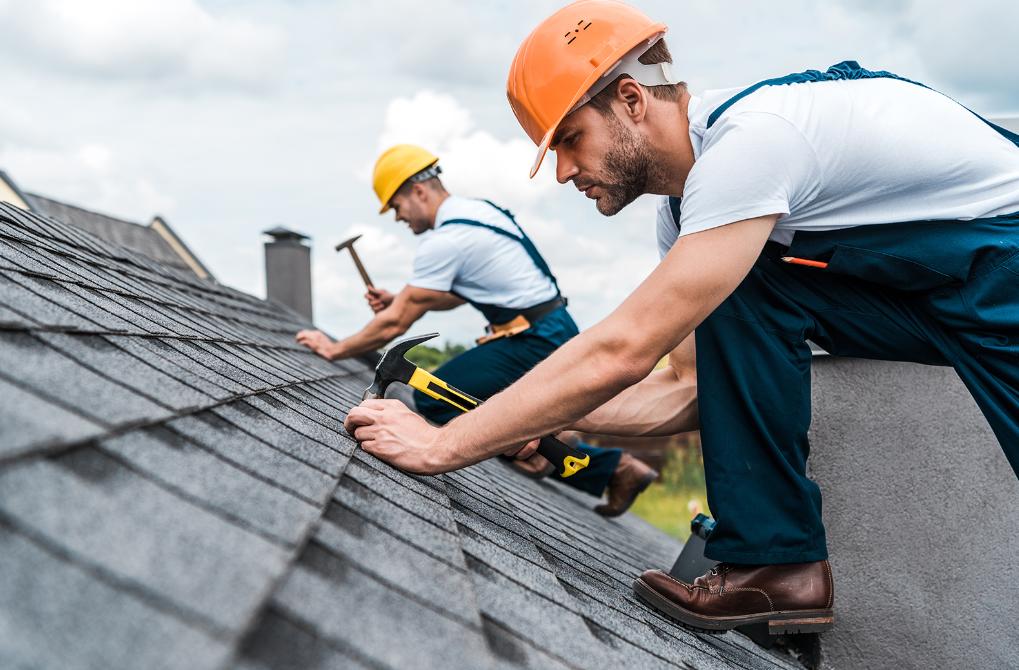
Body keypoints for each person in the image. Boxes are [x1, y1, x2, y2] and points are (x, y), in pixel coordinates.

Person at [342, 0, 1019, 635]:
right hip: (935, 290)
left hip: (1002, 263)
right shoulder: (694, 220)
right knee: (744, 287)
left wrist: (444, 444)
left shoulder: (751, 145)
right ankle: (775, 563)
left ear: (631, 100)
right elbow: (688, 387)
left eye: (571, 139)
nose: (563, 173)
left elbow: (623, 350)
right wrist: (535, 419)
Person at [297, 143, 657, 515]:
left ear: (418, 191)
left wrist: (334, 348)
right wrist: (401, 299)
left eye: (397, 207)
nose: (398, 218)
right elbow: (452, 296)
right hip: (548, 328)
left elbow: (397, 322)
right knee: (495, 409)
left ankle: (590, 461)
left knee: (432, 399)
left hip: (532, 339)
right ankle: (599, 464)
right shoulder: (478, 213)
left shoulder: (447, 239)